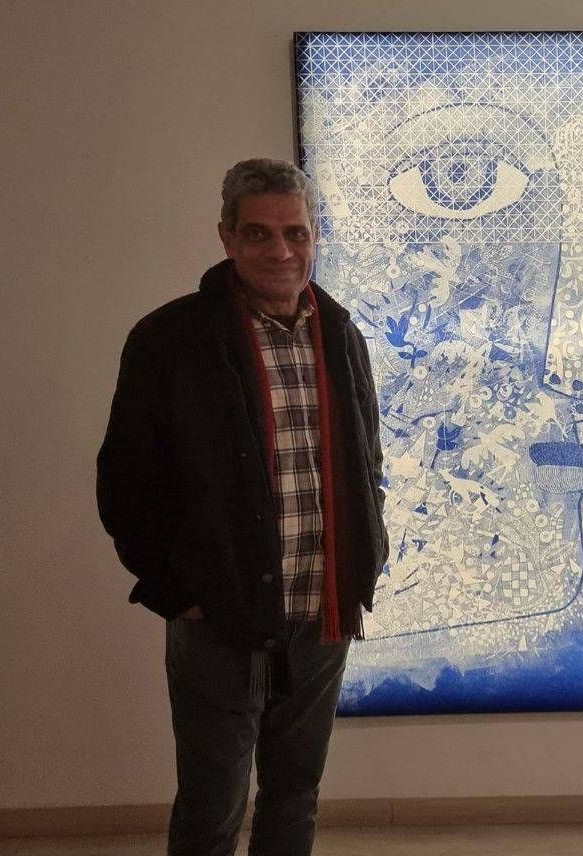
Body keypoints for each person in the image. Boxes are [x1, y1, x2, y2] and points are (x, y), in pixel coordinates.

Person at [97, 158, 388, 856]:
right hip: (220, 618)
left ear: (315, 236)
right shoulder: (171, 340)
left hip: (320, 609)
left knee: (295, 794)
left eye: (296, 232)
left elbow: (366, 462)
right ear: (226, 236)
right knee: (213, 803)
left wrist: (364, 557)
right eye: (258, 233)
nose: (280, 251)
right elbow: (126, 482)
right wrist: (178, 592)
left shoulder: (340, 334)